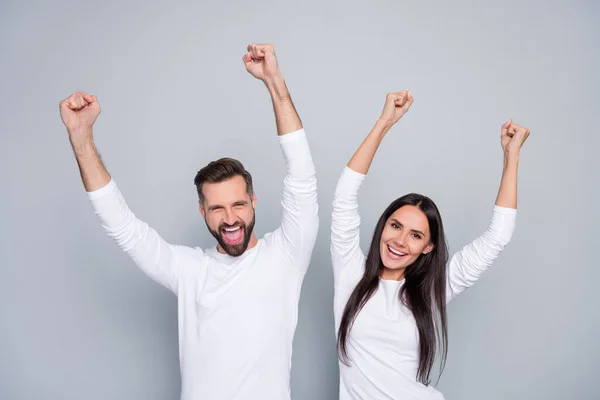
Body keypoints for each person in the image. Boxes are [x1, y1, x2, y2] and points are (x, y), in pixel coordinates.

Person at [59, 43, 319, 400]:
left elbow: (302, 178)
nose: (230, 219)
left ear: (254, 200)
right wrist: (81, 138)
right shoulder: (189, 269)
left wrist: (273, 80)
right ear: (202, 211)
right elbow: (123, 228)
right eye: (217, 209)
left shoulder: (287, 254)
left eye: (239, 204)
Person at [331, 91, 529, 399]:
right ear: (383, 226)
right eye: (395, 226)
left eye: (415, 235)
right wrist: (385, 122)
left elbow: (497, 236)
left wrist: (511, 156)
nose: (399, 241)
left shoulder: (433, 289)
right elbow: (344, 197)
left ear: (428, 247)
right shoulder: (350, 272)